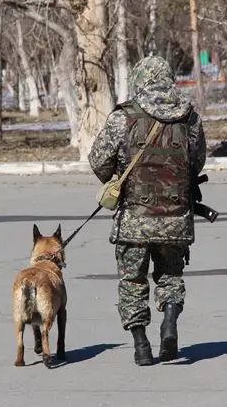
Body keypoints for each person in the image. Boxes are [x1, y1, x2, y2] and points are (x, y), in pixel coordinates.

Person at [88, 55, 207, 367]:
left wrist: (118, 178)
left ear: (140, 80)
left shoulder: (123, 117)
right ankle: (169, 323)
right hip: (176, 220)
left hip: (134, 221)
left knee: (132, 281)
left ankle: (141, 345)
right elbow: (196, 163)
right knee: (170, 275)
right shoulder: (189, 118)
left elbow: (99, 160)